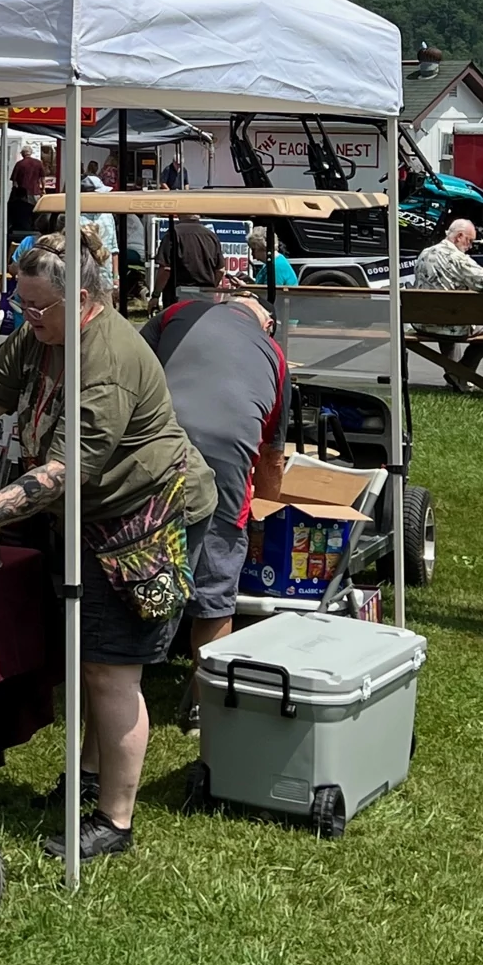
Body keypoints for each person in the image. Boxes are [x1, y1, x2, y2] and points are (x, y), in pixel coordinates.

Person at [0, 228, 216, 865]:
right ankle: (89, 775)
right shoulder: (38, 335)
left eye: (37, 308)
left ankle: (114, 822)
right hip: (89, 518)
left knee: (115, 668)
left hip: (147, 518)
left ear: (83, 298)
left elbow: (64, 472)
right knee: (88, 652)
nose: (25, 319)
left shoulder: (105, 361)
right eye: (19, 305)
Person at [144, 294, 288, 729]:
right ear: (265, 324)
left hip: (157, 444)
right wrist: (265, 509)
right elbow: (271, 457)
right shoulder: (276, 357)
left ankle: (126, 680)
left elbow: (128, 368)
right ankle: (202, 704)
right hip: (226, 462)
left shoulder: (176, 312)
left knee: (141, 564)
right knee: (215, 585)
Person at [412, 219, 483, 388]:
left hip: (422, 322)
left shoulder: (424, 254)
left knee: (447, 317)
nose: (470, 246)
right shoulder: (458, 259)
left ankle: (457, 376)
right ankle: (461, 371)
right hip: (448, 323)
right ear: (459, 237)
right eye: (469, 240)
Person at [153, 215, 225, 307]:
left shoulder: (173, 233)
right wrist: (210, 289)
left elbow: (166, 269)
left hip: (178, 296)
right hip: (206, 296)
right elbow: (220, 270)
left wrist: (155, 295)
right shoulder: (211, 235)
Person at [8, 142, 46, 242]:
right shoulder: (38, 163)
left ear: (22, 154)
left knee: (22, 211)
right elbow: (42, 177)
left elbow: (14, 181)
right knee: (36, 211)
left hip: (22, 193)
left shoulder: (19, 164)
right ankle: (35, 227)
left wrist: (15, 192)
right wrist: (43, 189)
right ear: (31, 152)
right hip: (35, 191)